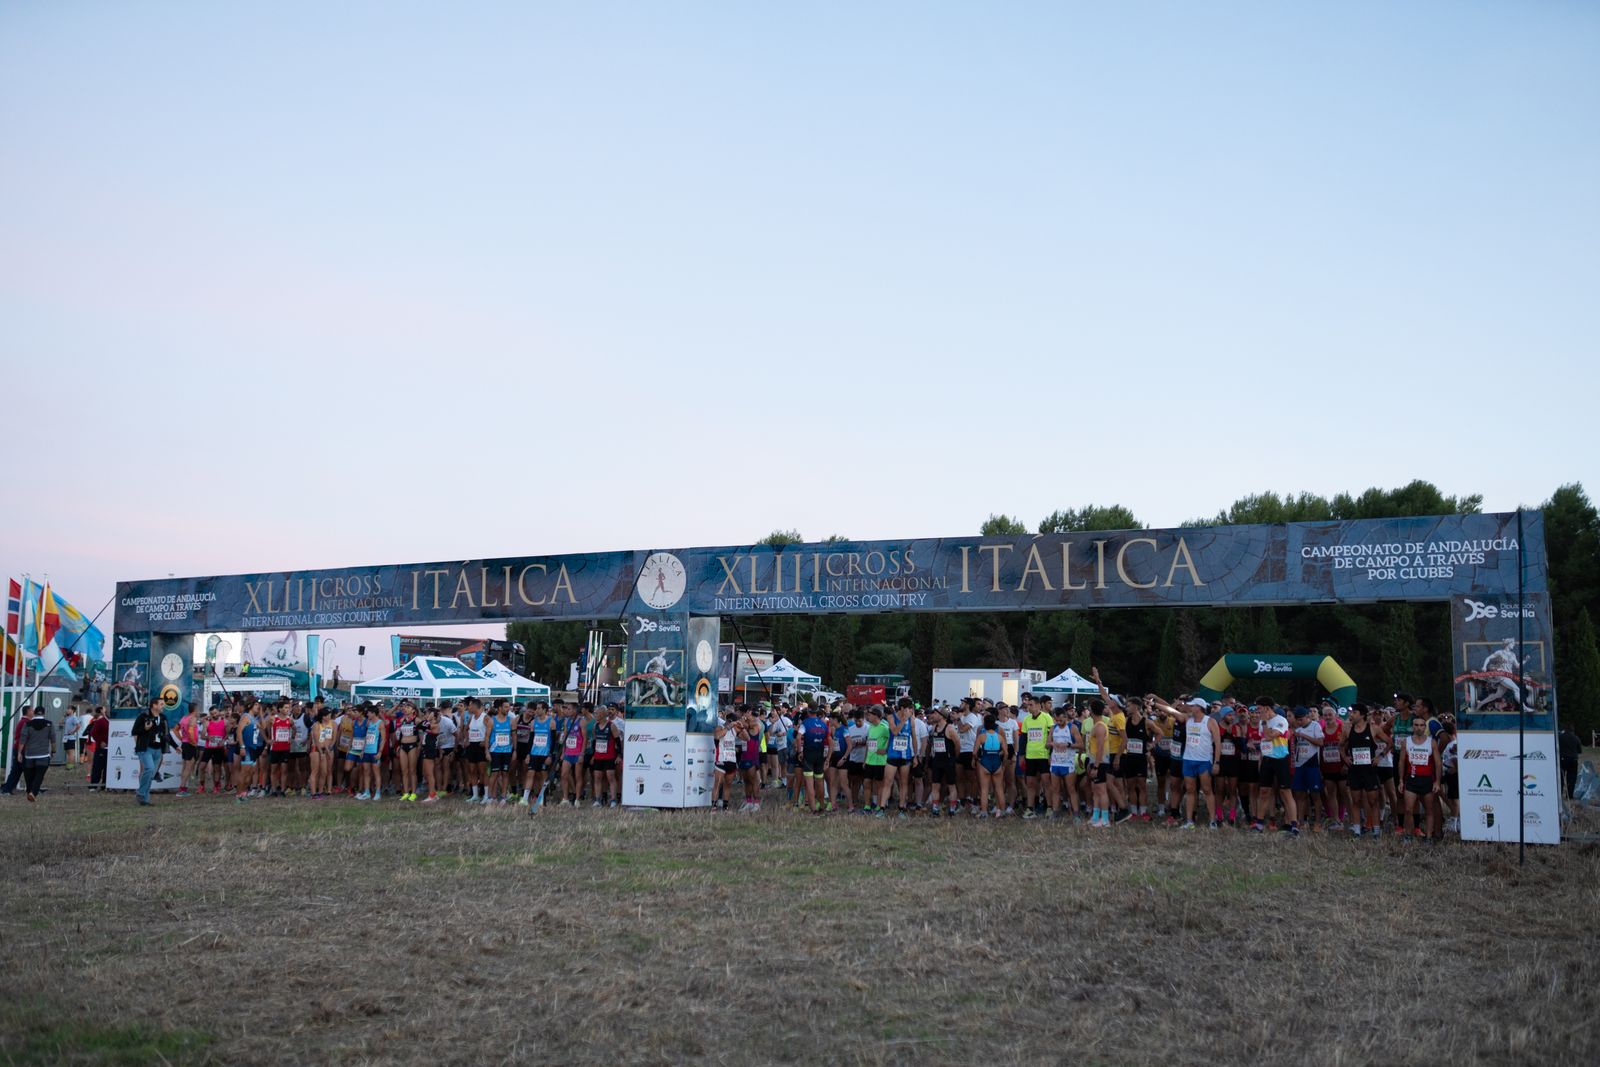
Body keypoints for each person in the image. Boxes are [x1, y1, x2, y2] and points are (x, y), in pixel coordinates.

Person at [1253, 697, 1298, 836]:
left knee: (1285, 792)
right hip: (1267, 759)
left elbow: (1270, 736)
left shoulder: (1281, 720)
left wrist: (1265, 722)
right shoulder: (1262, 722)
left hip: (1280, 759)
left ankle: (1294, 825)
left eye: (1259, 708)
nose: (1256, 711)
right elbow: (1263, 740)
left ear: (1266, 708)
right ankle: (1259, 823)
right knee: (1264, 791)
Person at [1342, 703, 1385, 837]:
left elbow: (1389, 742)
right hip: (1355, 770)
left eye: (1354, 713)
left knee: (1373, 801)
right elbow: (1340, 746)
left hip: (1369, 770)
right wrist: (1345, 758)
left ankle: (1376, 831)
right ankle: (1357, 831)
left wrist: (1380, 757)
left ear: (1361, 715)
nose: (1351, 715)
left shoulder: (1373, 729)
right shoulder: (1348, 729)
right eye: (1351, 712)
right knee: (1356, 801)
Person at [1400, 714, 1440, 840]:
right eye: (1416, 725)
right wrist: (1401, 780)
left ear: (1425, 727)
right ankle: (1408, 835)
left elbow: (1438, 763)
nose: (1419, 728)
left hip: (1427, 780)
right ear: (1412, 727)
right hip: (1411, 779)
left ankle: (1428, 837)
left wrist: (1437, 782)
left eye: (1421, 725)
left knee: (1429, 810)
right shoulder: (1406, 742)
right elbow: (1401, 762)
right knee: (1408, 810)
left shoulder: (1431, 742)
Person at [131, 697, 174, 805]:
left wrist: (176, 746)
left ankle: (144, 800)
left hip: (158, 750)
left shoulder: (163, 717)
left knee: (150, 775)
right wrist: (145, 729)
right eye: (161, 704)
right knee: (149, 769)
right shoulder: (143, 716)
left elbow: (167, 734)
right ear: (154, 705)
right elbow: (134, 731)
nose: (163, 706)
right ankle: (141, 792)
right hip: (146, 749)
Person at [1017, 696, 1055, 819]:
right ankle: (1030, 808)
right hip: (1030, 755)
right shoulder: (1027, 720)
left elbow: (1052, 736)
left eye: (1031, 705)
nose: (1029, 707)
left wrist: (1050, 754)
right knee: (1030, 783)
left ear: (1039, 705)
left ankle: (1049, 807)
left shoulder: (1047, 718)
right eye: (1028, 705)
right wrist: (1022, 755)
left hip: (1043, 755)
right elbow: (1023, 738)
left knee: (1046, 782)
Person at [1290, 707, 1324, 830]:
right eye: (1297, 720)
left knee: (1315, 795)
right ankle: (1301, 821)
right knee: (1300, 794)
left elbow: (1320, 742)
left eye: (1301, 719)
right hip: (1300, 765)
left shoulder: (1315, 726)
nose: (1299, 722)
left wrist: (1304, 735)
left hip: (1312, 764)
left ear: (1307, 717)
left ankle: (1318, 822)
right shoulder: (1297, 729)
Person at [925, 708, 959, 816]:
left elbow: (957, 745)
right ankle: (935, 808)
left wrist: (954, 757)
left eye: (935, 713)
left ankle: (952, 808)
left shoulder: (950, 729)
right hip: (937, 760)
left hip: (948, 760)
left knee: (951, 785)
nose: (933, 715)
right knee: (935, 785)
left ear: (942, 716)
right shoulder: (934, 728)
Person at [17, 704, 54, 801]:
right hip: (43, 754)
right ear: (44, 713)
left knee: (29, 775)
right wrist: (53, 751)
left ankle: (30, 791)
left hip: (30, 755)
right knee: (39, 775)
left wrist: (19, 752)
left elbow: (22, 739)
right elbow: (53, 739)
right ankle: (33, 792)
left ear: (34, 713)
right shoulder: (49, 724)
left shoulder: (27, 724)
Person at [974, 712, 1007, 817]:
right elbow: (1006, 753)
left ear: (985, 724)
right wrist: (1003, 763)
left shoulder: (981, 736)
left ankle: (984, 812)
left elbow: (974, 752)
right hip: (997, 762)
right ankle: (1002, 811)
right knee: (999, 789)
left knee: (984, 790)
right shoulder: (1000, 737)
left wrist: (978, 759)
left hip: (985, 762)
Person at [523, 704, 554, 811]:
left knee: (543, 776)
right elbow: (531, 739)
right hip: (534, 753)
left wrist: (550, 755)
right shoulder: (534, 722)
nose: (537, 710)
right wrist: (528, 754)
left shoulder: (551, 722)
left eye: (539, 708)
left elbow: (553, 741)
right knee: (530, 773)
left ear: (545, 710)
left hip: (545, 754)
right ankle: (525, 798)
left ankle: (542, 798)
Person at [863, 706, 892, 817]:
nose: (868, 717)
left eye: (870, 715)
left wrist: (886, 750)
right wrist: (865, 760)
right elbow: (868, 743)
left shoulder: (884, 727)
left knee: (879, 785)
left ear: (876, 716)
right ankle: (867, 806)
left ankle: (880, 805)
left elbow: (892, 739)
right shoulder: (869, 728)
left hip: (880, 761)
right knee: (866, 782)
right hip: (869, 761)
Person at [486, 701, 514, 805]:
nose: (508, 709)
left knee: (505, 773)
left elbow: (513, 736)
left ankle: (503, 797)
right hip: (495, 751)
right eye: (506, 707)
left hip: (507, 751)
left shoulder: (511, 721)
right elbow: (487, 737)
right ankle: (489, 797)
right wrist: (487, 751)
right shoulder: (492, 721)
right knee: (494, 774)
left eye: (509, 707)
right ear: (499, 708)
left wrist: (514, 750)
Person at [85, 706, 109, 790]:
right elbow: (93, 732)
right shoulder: (100, 721)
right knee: (98, 767)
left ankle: (105, 786)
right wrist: (100, 741)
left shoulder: (111, 721)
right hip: (101, 749)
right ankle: (93, 786)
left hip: (111, 749)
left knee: (107, 768)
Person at [1559, 723, 1582, 800]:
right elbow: (1579, 750)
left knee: (1561, 778)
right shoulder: (1576, 738)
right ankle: (1569, 796)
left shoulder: (1560, 737)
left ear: (1564, 730)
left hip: (1562, 759)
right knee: (1571, 778)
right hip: (1573, 760)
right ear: (1573, 730)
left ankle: (1559, 794)